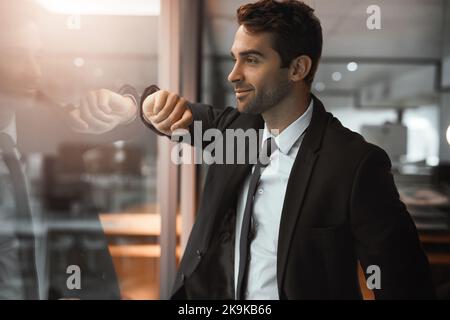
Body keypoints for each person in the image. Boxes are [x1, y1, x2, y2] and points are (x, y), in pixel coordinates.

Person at [138, 0, 436, 299]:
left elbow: (407, 286)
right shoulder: (231, 132)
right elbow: (169, 114)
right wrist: (148, 104)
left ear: (297, 68)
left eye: (251, 60)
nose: (234, 74)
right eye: (234, 58)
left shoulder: (355, 164)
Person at [0, 0, 139, 299]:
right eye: (16, 56)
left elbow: (142, 124)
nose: (33, 72)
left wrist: (127, 107)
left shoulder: (48, 126)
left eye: (36, 56)